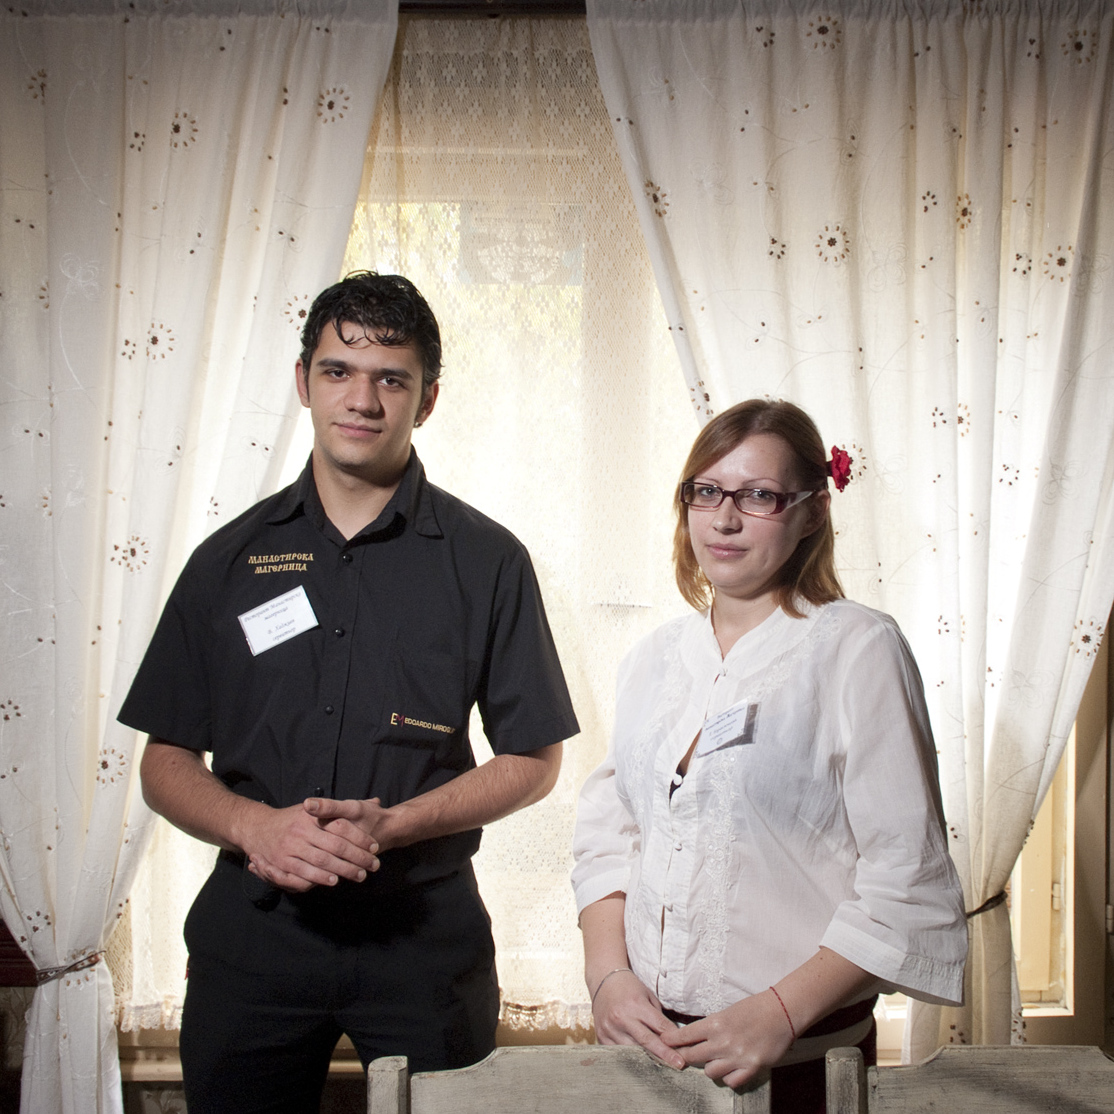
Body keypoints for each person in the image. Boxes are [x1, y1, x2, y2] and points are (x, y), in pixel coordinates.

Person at [119, 272, 579, 1113]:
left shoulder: (487, 560)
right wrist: (254, 825)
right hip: (252, 933)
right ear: (303, 383)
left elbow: (534, 758)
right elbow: (165, 760)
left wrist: (395, 826)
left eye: (390, 378)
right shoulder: (227, 561)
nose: (361, 399)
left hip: (424, 939)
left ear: (427, 398)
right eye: (337, 371)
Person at [571, 399, 966, 1113]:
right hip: (647, 1060)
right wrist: (607, 979)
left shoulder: (859, 649)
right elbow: (610, 835)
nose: (724, 519)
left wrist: (777, 1016)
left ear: (812, 511)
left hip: (803, 1063)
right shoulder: (652, 660)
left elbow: (906, 880)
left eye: (758, 495)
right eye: (707, 491)